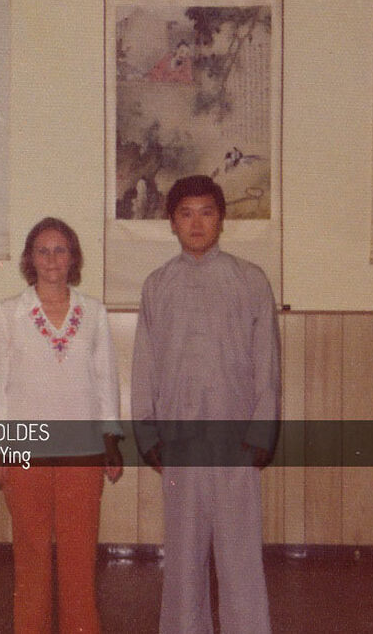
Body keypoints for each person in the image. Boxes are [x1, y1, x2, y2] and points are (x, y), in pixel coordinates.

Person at [131, 175, 281, 634]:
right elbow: (144, 365)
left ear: (221, 219)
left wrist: (262, 432)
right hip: (179, 439)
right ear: (172, 222)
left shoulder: (250, 280)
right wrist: (148, 433)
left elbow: (267, 364)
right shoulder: (157, 285)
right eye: (186, 214)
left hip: (236, 439)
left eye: (206, 212)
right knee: (182, 558)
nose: (196, 224)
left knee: (240, 555)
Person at [0, 217, 123, 634]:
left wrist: (111, 442)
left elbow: (106, 380)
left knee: (79, 558)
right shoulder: (9, 313)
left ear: (73, 257)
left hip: (83, 452)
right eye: (43, 250)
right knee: (32, 558)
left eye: (60, 250)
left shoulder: (93, 313)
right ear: (30, 259)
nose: (52, 259)